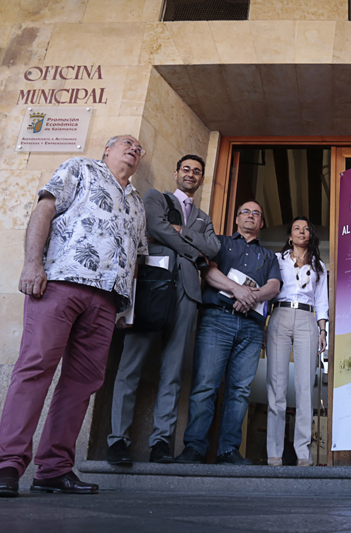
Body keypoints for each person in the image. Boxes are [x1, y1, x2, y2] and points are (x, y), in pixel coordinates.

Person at [0, 135, 148, 497]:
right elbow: (44, 209)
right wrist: (31, 264)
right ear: (107, 150)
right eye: (126, 143)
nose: (134, 149)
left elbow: (136, 258)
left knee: (83, 383)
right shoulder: (81, 168)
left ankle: (54, 469)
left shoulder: (137, 203)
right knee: (35, 367)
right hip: (61, 282)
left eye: (139, 148)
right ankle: (8, 466)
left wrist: (126, 308)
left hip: (107, 301)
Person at [107, 155, 221, 466]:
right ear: (176, 173)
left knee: (172, 374)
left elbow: (213, 249)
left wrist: (178, 235)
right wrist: (192, 250)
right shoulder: (155, 197)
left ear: (201, 179)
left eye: (197, 172)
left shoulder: (204, 217)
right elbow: (154, 225)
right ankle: (118, 439)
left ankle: (160, 442)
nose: (191, 174)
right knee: (130, 365)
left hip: (187, 295)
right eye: (186, 169)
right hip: (151, 288)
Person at [175, 200, 281, 465]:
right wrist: (238, 290)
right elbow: (208, 272)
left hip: (252, 328)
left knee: (240, 390)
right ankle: (195, 448)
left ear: (261, 223)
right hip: (216, 320)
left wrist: (250, 296)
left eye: (257, 213)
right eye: (245, 211)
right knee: (205, 385)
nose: (251, 216)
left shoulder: (269, 256)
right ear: (236, 218)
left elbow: (274, 286)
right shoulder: (219, 242)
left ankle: (228, 450)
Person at [265, 216, 329, 467]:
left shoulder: (319, 266)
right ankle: (274, 452)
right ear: (290, 237)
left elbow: (322, 301)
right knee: (276, 386)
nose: (302, 232)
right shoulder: (276, 260)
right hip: (279, 314)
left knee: (305, 388)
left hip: (306, 319)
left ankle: (303, 452)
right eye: (296, 229)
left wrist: (322, 330)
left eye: (306, 229)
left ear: (310, 236)